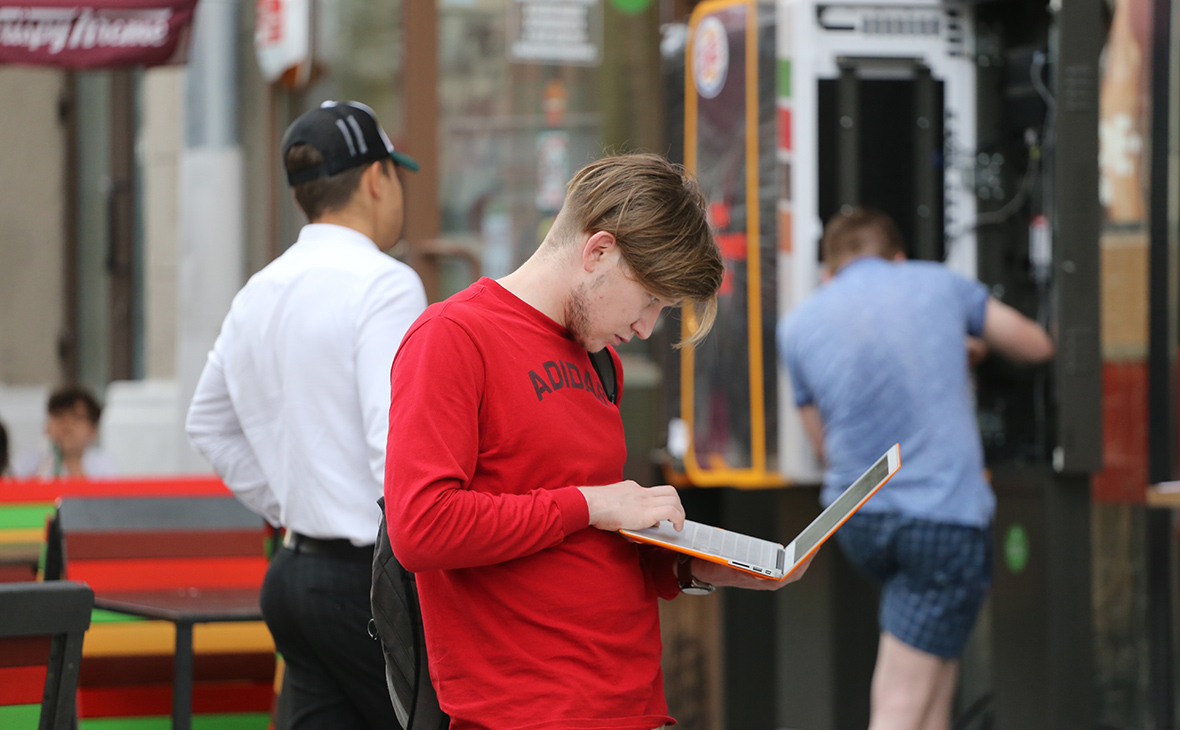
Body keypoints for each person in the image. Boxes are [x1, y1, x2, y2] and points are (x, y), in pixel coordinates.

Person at [385, 152, 810, 730]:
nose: (645, 328)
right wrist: (592, 501)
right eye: (651, 300)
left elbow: (584, 544)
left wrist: (696, 569)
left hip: (634, 705)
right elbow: (423, 527)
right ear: (598, 252)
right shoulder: (453, 337)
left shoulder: (598, 359)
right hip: (528, 714)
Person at [186, 100, 427, 730]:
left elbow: (206, 424)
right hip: (371, 586)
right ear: (377, 178)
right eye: (396, 174)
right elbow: (393, 445)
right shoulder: (386, 283)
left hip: (294, 576)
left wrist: (295, 498)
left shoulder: (259, 289)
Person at [778, 208, 1055, 730]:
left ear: (828, 271)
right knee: (900, 705)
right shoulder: (939, 284)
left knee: (935, 666)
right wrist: (962, 349)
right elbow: (1034, 345)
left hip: (857, 520)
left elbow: (823, 445)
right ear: (898, 259)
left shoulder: (799, 324)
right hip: (941, 520)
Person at [11, 385, 117, 478]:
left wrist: (73, 461)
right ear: (47, 426)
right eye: (60, 417)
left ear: (94, 429)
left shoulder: (103, 466)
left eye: (76, 418)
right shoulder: (30, 461)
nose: (67, 426)